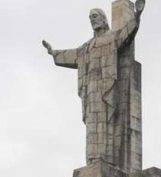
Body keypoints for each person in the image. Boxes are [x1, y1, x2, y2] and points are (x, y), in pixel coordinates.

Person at [42, 3, 144, 165]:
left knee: (106, 123)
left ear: (103, 19)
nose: (92, 20)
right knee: (92, 126)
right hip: (90, 90)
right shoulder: (87, 47)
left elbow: (126, 33)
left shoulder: (112, 38)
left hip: (106, 89)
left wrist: (137, 15)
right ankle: (92, 159)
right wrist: (53, 53)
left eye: (95, 16)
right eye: (90, 18)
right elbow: (73, 55)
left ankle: (105, 158)